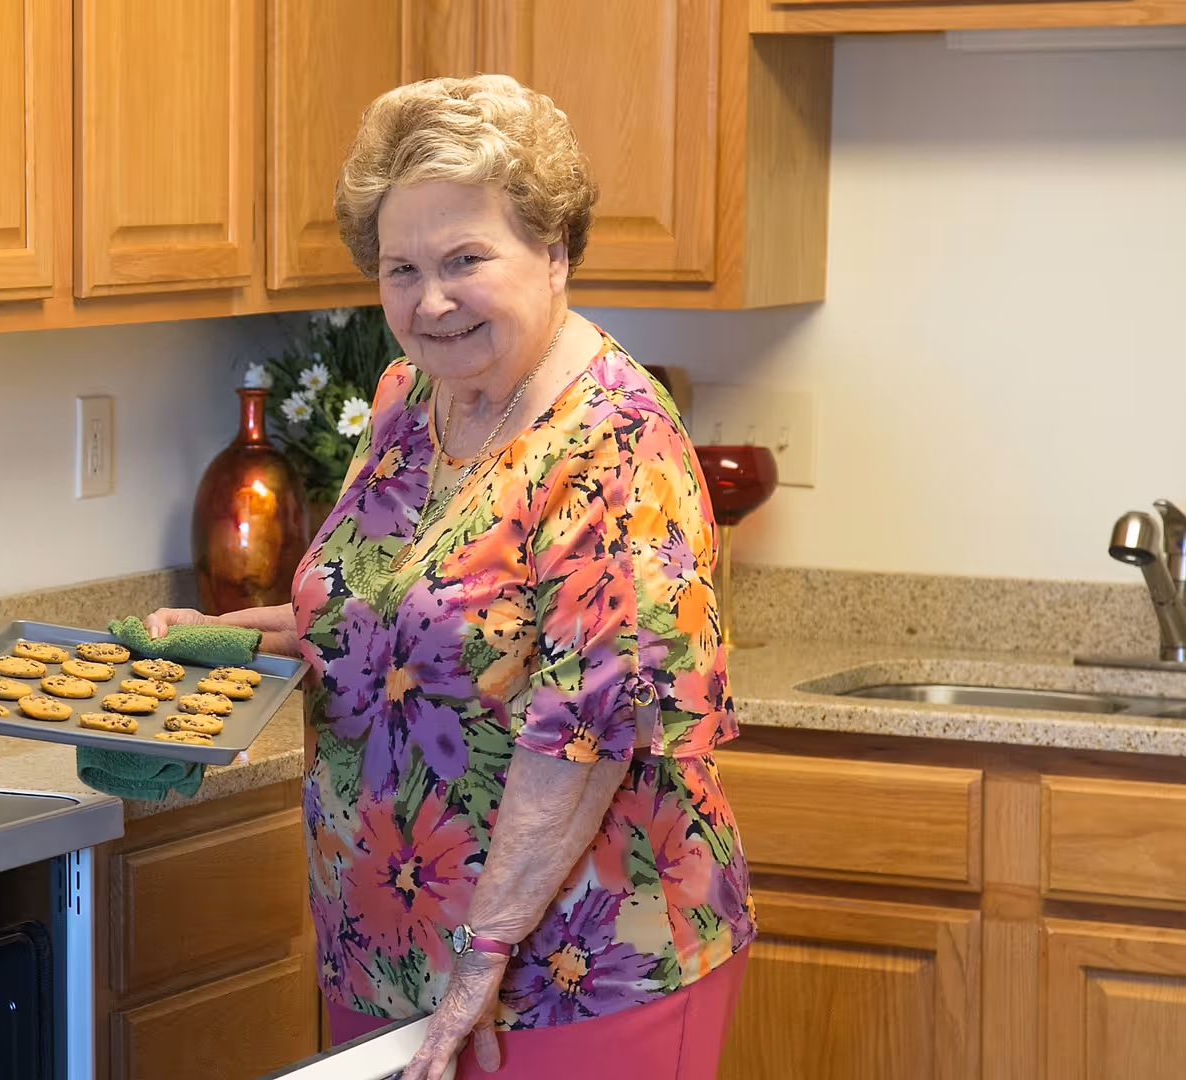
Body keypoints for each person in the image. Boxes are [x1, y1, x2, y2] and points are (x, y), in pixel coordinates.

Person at [150, 74, 754, 1078]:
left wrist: (481, 962)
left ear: (554, 251)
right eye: (401, 269)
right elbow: (374, 618)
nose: (430, 302)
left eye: (466, 259)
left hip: (576, 969)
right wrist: (219, 642)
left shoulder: (616, 443)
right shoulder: (407, 402)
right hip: (382, 940)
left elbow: (586, 734)